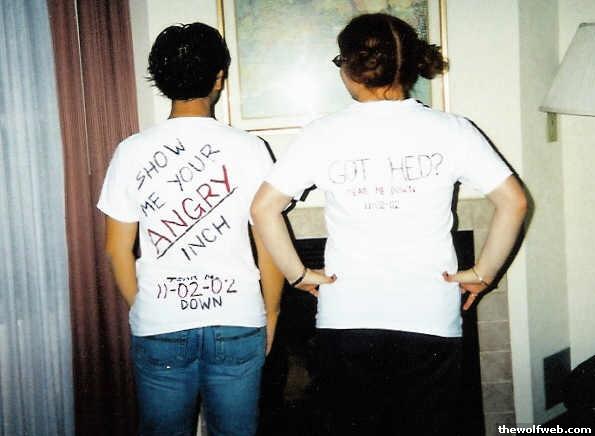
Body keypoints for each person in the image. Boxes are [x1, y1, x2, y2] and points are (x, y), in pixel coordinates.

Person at [251, 13, 527, 436]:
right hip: (429, 317)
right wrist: (483, 273)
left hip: (347, 318)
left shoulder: (322, 134)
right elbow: (514, 202)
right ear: (407, 64)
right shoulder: (452, 130)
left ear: (349, 68)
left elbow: (263, 208)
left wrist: (298, 274)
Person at [97, 23, 284, 436]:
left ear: (160, 79)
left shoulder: (130, 152)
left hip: (161, 320)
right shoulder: (251, 149)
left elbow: (116, 249)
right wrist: (271, 313)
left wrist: (145, 307)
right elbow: (270, 244)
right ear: (219, 78)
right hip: (237, 318)